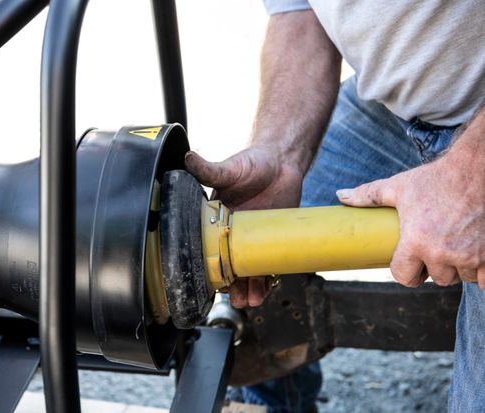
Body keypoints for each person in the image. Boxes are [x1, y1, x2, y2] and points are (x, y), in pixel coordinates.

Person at [185, 2, 485, 412]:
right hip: (398, 110)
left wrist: (470, 179)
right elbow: (300, 12)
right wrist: (281, 154)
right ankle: (270, 401)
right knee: (256, 240)